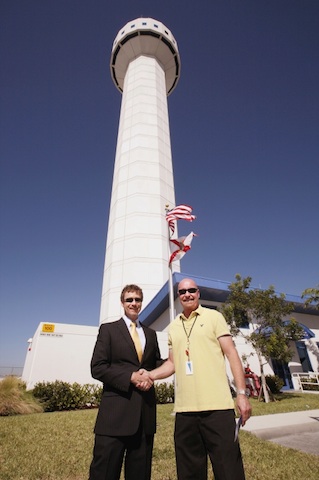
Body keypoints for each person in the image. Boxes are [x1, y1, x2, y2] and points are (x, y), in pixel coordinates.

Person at [143, 278, 251, 480]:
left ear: (198, 292)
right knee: (189, 473)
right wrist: (150, 374)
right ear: (178, 296)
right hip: (185, 413)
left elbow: (232, 354)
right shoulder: (173, 327)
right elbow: (172, 364)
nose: (187, 294)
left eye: (191, 290)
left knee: (229, 471)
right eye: (182, 291)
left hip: (217, 408)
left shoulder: (214, 317)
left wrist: (242, 394)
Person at [88, 284, 162, 480]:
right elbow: (98, 367)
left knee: (140, 474)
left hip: (144, 416)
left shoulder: (151, 334)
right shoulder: (109, 330)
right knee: (103, 473)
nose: (134, 303)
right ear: (122, 303)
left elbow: (156, 363)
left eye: (137, 299)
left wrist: (178, 356)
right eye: (129, 300)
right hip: (115, 416)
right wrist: (130, 377)